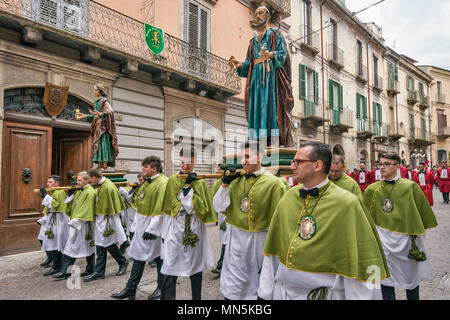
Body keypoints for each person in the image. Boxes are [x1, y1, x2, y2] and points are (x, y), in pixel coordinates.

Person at [258, 141, 389, 300]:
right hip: (284, 293)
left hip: (326, 294)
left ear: (317, 165)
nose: (292, 166)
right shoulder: (288, 197)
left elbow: (363, 259)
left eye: (298, 161)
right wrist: (264, 293)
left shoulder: (347, 203)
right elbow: (272, 253)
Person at [213, 142, 287, 300]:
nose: (244, 161)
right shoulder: (235, 181)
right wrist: (225, 184)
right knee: (234, 288)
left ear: (260, 157)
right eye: (242, 157)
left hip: (259, 242)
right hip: (235, 241)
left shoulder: (275, 184)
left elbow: (281, 222)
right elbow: (219, 207)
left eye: (248, 156)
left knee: (256, 286)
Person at [363, 153, 438, 300]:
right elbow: (365, 218)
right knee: (385, 279)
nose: (382, 167)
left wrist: (418, 236)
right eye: (380, 164)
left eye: (386, 164)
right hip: (383, 242)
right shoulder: (372, 189)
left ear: (397, 166)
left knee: (411, 278)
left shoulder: (410, 186)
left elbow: (423, 213)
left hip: (406, 242)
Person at [229, 5, 293, 147]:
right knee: (256, 107)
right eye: (256, 14)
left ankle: (273, 140)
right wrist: (239, 65)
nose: (257, 16)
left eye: (261, 13)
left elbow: (283, 54)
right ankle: (257, 141)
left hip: (271, 78)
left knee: (271, 106)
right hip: (256, 79)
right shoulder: (252, 42)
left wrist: (271, 55)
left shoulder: (276, 33)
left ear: (268, 16)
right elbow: (248, 63)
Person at [160, 147, 217, 300]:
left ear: (195, 161)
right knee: (170, 264)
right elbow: (169, 207)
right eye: (183, 162)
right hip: (175, 227)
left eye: (189, 162)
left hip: (194, 227)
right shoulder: (172, 180)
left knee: (195, 266)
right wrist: (163, 233)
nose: (186, 165)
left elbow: (202, 209)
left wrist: (188, 190)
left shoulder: (200, 181)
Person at [111, 156, 168, 300]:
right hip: (143, 225)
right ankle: (131, 289)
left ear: (154, 169)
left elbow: (160, 208)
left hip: (153, 227)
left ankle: (161, 288)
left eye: (145, 167)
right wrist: (136, 226)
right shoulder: (147, 183)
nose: (142, 170)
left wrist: (152, 229)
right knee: (138, 256)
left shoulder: (162, 183)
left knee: (159, 257)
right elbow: (139, 203)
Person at [83, 169, 129, 282]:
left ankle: (122, 262)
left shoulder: (106, 187)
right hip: (102, 218)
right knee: (100, 244)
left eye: (89, 179)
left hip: (106, 219)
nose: (89, 182)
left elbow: (106, 206)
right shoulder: (103, 185)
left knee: (107, 243)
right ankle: (99, 271)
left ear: (94, 177)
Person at [52, 171, 96, 280]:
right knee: (72, 246)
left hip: (83, 224)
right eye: (77, 180)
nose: (77, 182)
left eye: (80, 180)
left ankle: (85, 269)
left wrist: (75, 222)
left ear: (87, 180)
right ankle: (68, 270)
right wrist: (71, 196)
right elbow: (73, 206)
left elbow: (86, 209)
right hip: (76, 222)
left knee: (86, 247)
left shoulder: (90, 192)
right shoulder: (79, 191)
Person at [76, 84, 119, 170]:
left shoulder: (104, 101)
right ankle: (99, 165)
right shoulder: (97, 103)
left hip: (103, 129)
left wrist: (102, 114)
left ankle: (104, 165)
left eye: (95, 90)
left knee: (103, 145)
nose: (94, 92)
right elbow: (95, 116)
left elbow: (110, 112)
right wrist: (84, 116)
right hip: (97, 127)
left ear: (100, 91)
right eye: (94, 90)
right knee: (98, 146)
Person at [39, 175, 69, 276]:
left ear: (56, 183)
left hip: (58, 220)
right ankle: (56, 264)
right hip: (53, 219)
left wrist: (45, 196)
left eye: (50, 182)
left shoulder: (59, 192)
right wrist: (46, 197)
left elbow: (56, 205)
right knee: (51, 242)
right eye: (48, 182)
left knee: (55, 243)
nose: (48, 184)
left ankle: (57, 266)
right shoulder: (53, 192)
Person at [211, 177, 227, 276]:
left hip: (228, 217)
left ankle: (220, 266)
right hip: (223, 216)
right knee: (225, 242)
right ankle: (220, 266)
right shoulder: (218, 183)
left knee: (226, 243)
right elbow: (214, 198)